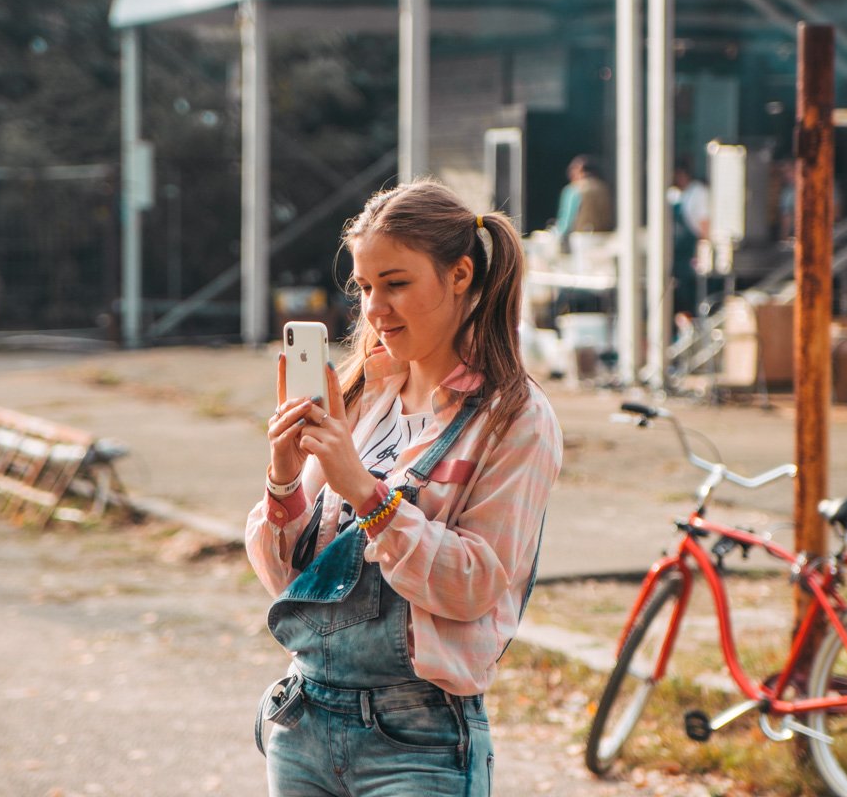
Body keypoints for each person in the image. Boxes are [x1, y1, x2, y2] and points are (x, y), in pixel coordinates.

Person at [246, 180, 563, 795]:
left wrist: (367, 495)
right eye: (364, 288)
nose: (373, 309)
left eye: (395, 284)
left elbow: (473, 582)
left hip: (416, 741)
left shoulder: (514, 417)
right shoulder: (362, 394)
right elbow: (288, 583)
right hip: (301, 721)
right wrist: (284, 479)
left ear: (460, 275)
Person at [670, 160, 710, 317]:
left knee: (691, 294)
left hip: (692, 252)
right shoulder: (679, 195)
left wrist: (702, 252)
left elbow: (705, 224)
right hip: (679, 255)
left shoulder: (699, 193)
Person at [554, 154, 613, 242]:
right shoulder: (604, 188)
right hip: (606, 239)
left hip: (582, 241)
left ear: (579, 170)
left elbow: (566, 224)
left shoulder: (573, 189)